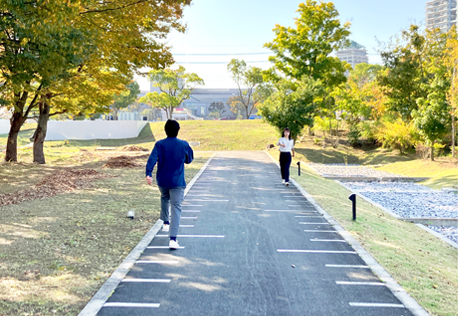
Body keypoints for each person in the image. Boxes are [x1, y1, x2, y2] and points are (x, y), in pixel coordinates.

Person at [146, 120, 193, 249]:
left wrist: (148, 173)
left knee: (164, 197)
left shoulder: (159, 144)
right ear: (178, 130)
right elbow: (189, 159)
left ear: (165, 130)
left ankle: (165, 222)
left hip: (162, 180)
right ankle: (173, 239)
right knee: (176, 207)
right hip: (177, 182)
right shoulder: (183, 144)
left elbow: (152, 159)